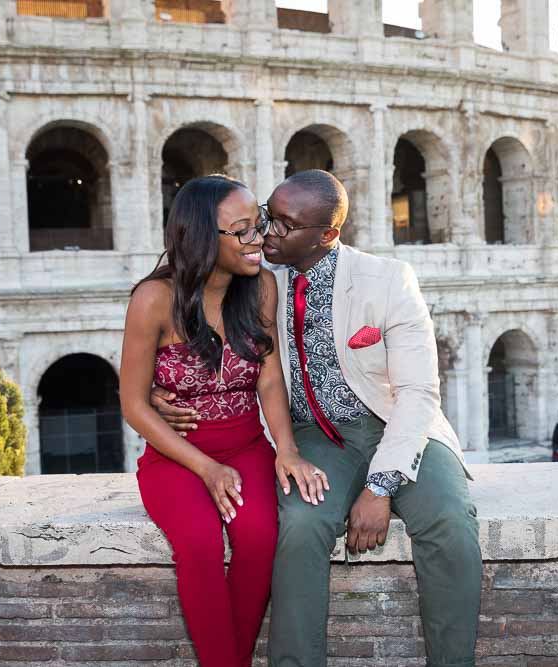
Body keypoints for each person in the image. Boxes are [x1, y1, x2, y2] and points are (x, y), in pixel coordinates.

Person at [153, 170, 482, 667]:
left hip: (401, 428)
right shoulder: (259, 284)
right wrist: (161, 389)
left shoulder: (389, 278)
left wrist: (380, 488)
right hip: (319, 437)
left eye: (284, 226)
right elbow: (204, 342)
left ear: (326, 235)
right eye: (268, 217)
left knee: (451, 523)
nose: (267, 233)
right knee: (301, 527)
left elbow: (418, 393)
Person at [120, 175, 326, 667]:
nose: (260, 240)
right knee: (199, 545)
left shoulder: (261, 289)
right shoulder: (152, 300)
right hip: (177, 456)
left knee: (259, 540)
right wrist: (207, 469)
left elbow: (270, 380)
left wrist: (287, 449)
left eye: (258, 226)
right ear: (200, 238)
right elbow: (133, 405)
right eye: (243, 231)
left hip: (247, 446)